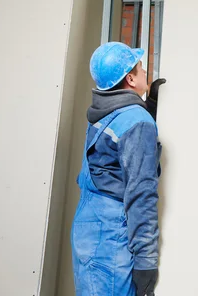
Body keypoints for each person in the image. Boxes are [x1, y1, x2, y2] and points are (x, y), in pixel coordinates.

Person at [71, 42, 166, 296]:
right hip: (111, 238)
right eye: (141, 69)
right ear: (131, 78)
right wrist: (146, 262)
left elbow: (112, 160)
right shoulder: (136, 121)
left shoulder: (102, 112)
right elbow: (141, 195)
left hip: (89, 230)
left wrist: (151, 108)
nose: (145, 73)